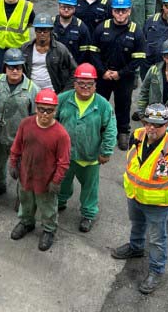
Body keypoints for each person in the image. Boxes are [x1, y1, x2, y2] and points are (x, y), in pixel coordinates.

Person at [111, 103, 168, 295]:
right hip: (134, 195)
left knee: (157, 239)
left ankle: (156, 270)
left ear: (166, 125)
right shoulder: (138, 135)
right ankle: (136, 247)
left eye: (157, 125)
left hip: (157, 204)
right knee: (137, 225)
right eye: (149, 123)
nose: (151, 128)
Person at [55, 63, 116, 232]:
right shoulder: (63, 99)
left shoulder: (102, 104)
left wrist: (106, 151)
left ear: (95, 85)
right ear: (74, 83)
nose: (85, 87)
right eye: (81, 83)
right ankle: (60, 202)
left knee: (90, 188)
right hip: (65, 155)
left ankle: (88, 215)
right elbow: (52, 122)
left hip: (90, 156)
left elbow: (110, 128)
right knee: (62, 181)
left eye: (89, 84)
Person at [9, 88, 70, 251]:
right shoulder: (25, 124)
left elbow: (63, 162)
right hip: (26, 175)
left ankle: (49, 230)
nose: (44, 114)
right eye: (41, 109)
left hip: (46, 181)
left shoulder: (61, 135)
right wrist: (13, 163)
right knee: (26, 202)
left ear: (55, 111)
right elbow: (17, 146)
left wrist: (56, 181)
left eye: (49, 111)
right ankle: (26, 223)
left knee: (47, 207)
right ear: (36, 108)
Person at [89, 0, 146, 149]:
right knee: (100, 104)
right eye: (117, 10)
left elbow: (138, 58)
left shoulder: (136, 31)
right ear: (112, 11)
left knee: (123, 105)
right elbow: (94, 52)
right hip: (104, 76)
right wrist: (103, 71)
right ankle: (99, 131)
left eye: (124, 11)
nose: (120, 14)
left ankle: (122, 132)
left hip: (124, 77)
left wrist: (120, 73)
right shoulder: (102, 28)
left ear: (129, 11)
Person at [0, 48, 38, 202]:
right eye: (11, 67)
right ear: (5, 67)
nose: (15, 70)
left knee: (22, 167)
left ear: (23, 68)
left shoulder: (32, 89)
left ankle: (23, 196)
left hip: (21, 139)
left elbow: (36, 117)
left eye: (18, 67)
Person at [22, 13, 76, 92]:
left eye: (45, 30)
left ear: (51, 30)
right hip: (30, 92)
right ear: (35, 30)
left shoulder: (60, 49)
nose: (42, 33)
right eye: (39, 30)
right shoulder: (26, 48)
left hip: (53, 93)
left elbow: (74, 71)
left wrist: (64, 93)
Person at [53, 0, 92, 64]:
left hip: (72, 67)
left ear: (74, 9)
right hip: (53, 66)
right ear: (59, 6)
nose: (66, 10)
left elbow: (85, 53)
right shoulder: (51, 24)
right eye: (63, 7)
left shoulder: (81, 27)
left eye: (69, 7)